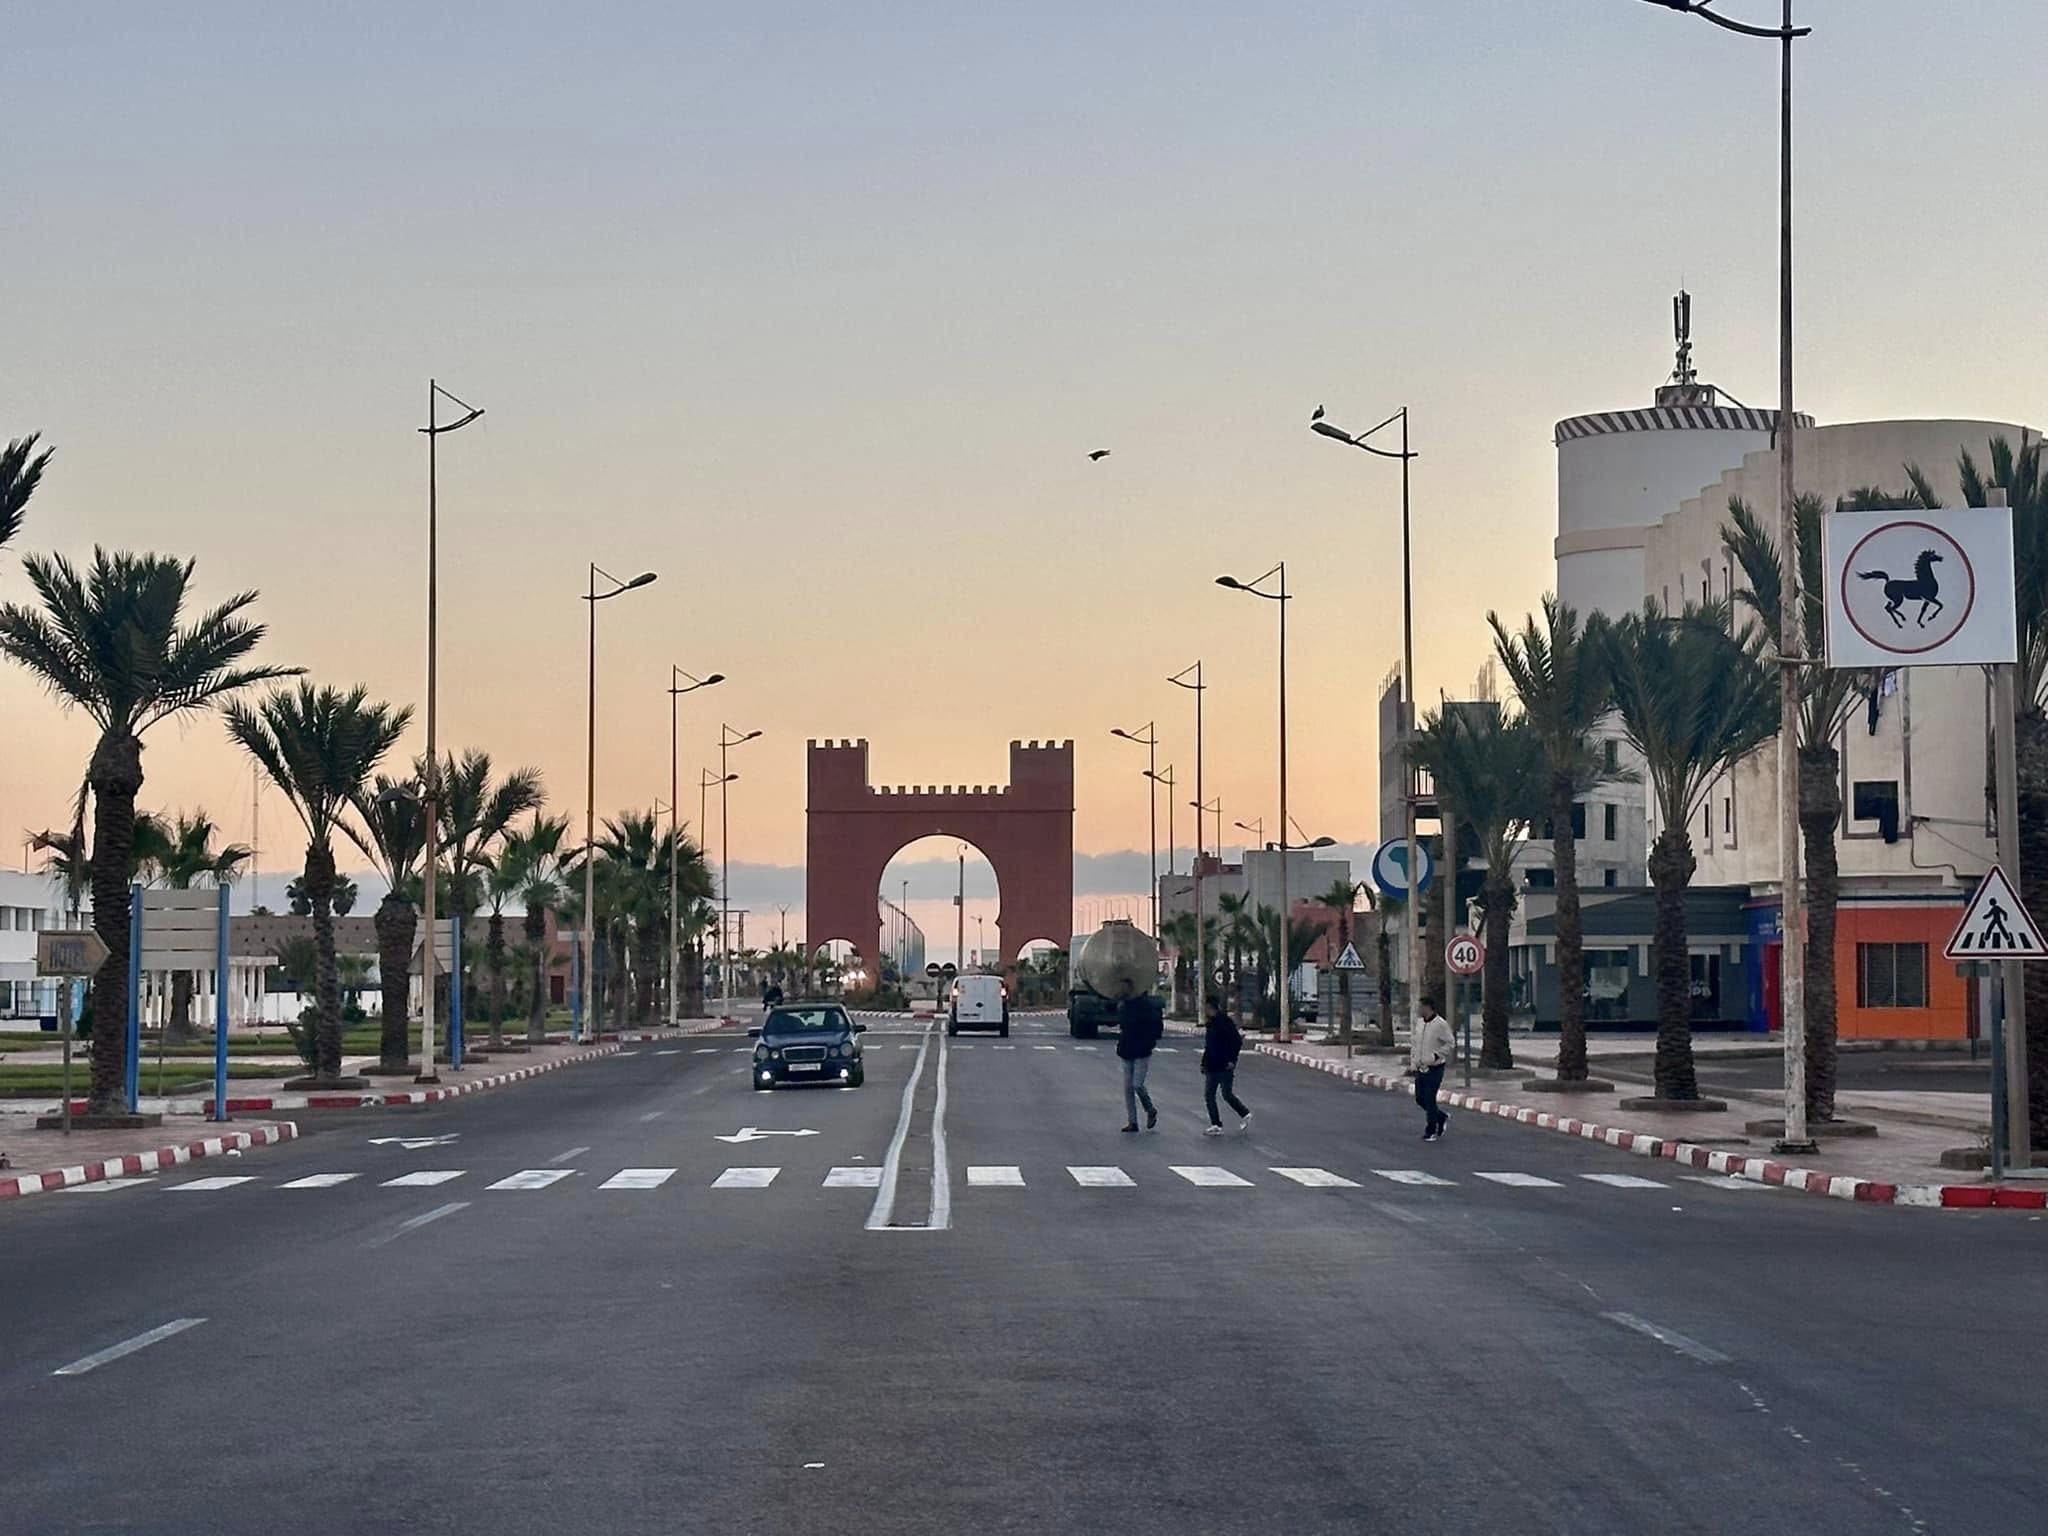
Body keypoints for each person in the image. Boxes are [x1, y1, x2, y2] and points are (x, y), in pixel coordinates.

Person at [1115, 978, 1162, 1132]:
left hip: (1142, 1050)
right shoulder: (1123, 1006)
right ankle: (1133, 1122)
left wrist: (1150, 1042)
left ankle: (1150, 1109)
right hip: (1127, 1049)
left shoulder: (1145, 1005)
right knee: (1127, 1088)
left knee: (1137, 1085)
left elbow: (1156, 1026)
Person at [1200, 993, 1250, 1137]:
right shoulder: (1211, 1023)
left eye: (1205, 1007)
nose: (1204, 1010)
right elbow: (1209, 1046)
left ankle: (1244, 1113)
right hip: (1212, 1065)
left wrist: (1232, 1060)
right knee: (1210, 1094)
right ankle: (1216, 1124)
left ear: (1211, 1007)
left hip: (1224, 1065)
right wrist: (1203, 1063)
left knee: (1226, 1094)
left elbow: (1236, 1041)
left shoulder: (1224, 1022)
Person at [1411, 994, 1454, 1142]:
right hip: (1420, 1067)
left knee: (1430, 1098)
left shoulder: (1440, 1024)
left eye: (1420, 1007)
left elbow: (1450, 1043)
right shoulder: (1419, 1023)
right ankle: (1441, 1117)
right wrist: (1414, 1062)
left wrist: (1436, 1056)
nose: (1418, 1009)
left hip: (1435, 1068)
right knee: (1420, 1099)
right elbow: (1416, 1044)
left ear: (1427, 1007)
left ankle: (1431, 1130)